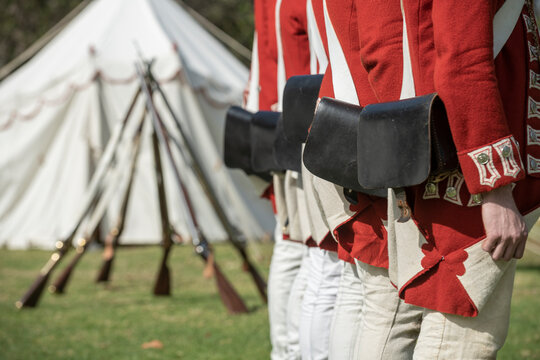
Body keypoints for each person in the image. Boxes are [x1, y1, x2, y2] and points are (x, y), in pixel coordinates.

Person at [357, 0, 540, 357]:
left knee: (391, 317)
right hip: (465, 159)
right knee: (465, 333)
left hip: (435, 146)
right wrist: (494, 185)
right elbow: (462, 58)